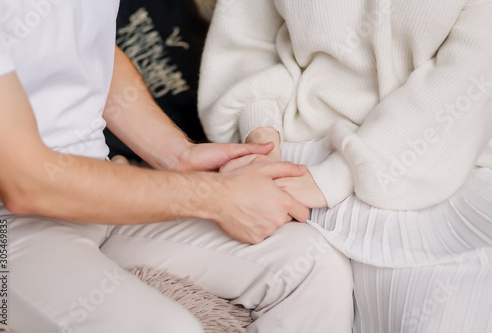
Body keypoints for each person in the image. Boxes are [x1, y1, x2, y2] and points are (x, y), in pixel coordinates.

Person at [0, 1, 353, 332]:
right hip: (7, 223)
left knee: (311, 266)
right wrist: (216, 197)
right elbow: (27, 182)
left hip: (97, 188)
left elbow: (86, 44)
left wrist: (177, 154)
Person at [198, 0, 492, 332]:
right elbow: (245, 45)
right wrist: (262, 142)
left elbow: (470, 76)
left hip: (442, 159)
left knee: (461, 300)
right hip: (297, 156)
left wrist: (337, 176)